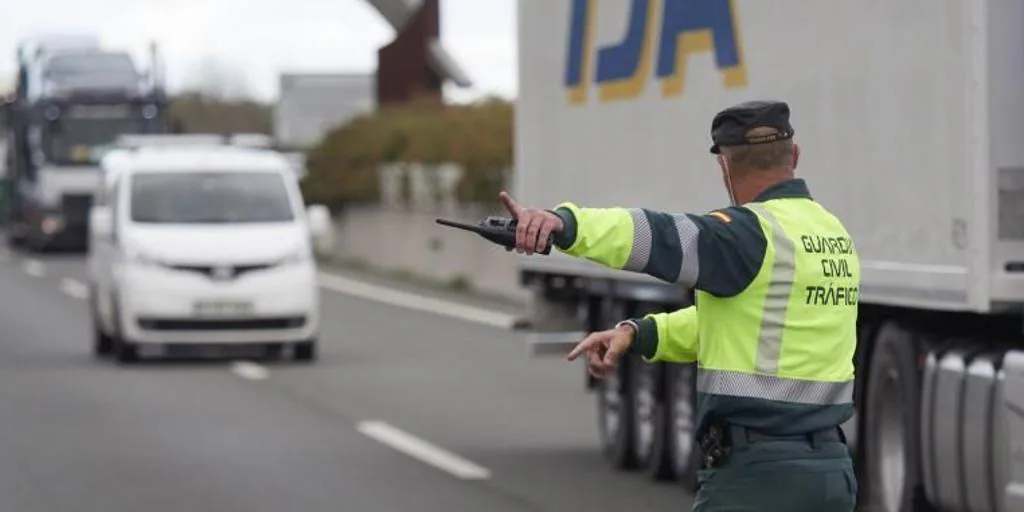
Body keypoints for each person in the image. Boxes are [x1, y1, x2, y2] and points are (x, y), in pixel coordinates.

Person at [499, 100, 859, 511]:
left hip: (758, 479)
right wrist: (638, 333)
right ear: (794, 156)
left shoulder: (745, 235)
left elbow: (657, 236)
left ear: (724, 167)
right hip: (830, 475)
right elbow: (743, 325)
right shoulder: (832, 233)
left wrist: (564, 224)